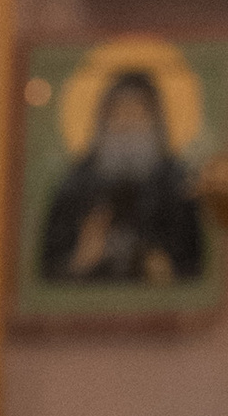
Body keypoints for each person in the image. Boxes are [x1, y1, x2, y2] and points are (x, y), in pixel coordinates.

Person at [36, 69, 207, 290]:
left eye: (137, 112)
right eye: (118, 112)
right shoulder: (75, 184)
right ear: (102, 120)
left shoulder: (177, 184)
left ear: (155, 120)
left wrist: (166, 270)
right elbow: (45, 276)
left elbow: (195, 269)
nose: (127, 123)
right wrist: (78, 262)